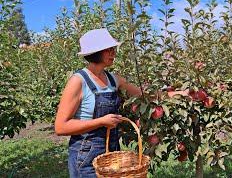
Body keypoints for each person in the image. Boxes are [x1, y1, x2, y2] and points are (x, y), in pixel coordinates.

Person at [55, 28, 188, 177]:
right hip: (86, 152)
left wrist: (177, 94)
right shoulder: (78, 81)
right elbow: (61, 127)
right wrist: (100, 122)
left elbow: (145, 96)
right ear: (96, 52)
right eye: (109, 49)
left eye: (113, 49)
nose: (114, 53)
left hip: (112, 149)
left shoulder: (113, 79)